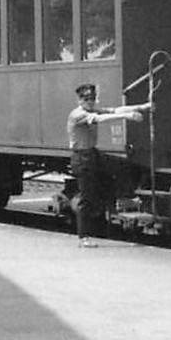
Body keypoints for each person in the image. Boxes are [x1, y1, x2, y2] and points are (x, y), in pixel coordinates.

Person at [66, 82, 149, 248]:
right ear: (79, 100)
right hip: (82, 158)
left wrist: (142, 107)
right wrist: (128, 117)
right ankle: (83, 238)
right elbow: (101, 118)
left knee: (121, 165)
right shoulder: (78, 115)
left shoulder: (91, 109)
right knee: (86, 197)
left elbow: (115, 110)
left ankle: (123, 198)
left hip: (92, 154)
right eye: (86, 99)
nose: (90, 102)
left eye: (92, 98)